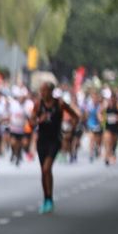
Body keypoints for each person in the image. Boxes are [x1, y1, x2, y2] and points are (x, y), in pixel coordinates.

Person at [34, 83, 79, 213]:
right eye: (41, 90)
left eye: (44, 91)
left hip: (54, 140)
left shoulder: (59, 104)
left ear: (51, 92)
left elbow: (75, 116)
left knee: (47, 168)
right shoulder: (38, 105)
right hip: (41, 140)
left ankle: (49, 198)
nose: (42, 93)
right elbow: (31, 121)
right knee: (44, 171)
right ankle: (47, 198)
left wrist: (70, 130)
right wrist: (38, 121)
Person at [101, 88, 118, 165]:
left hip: (116, 128)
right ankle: (107, 157)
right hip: (108, 127)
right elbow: (100, 112)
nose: (112, 101)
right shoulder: (106, 106)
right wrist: (102, 118)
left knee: (114, 143)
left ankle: (112, 152)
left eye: (113, 99)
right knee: (108, 141)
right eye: (111, 99)